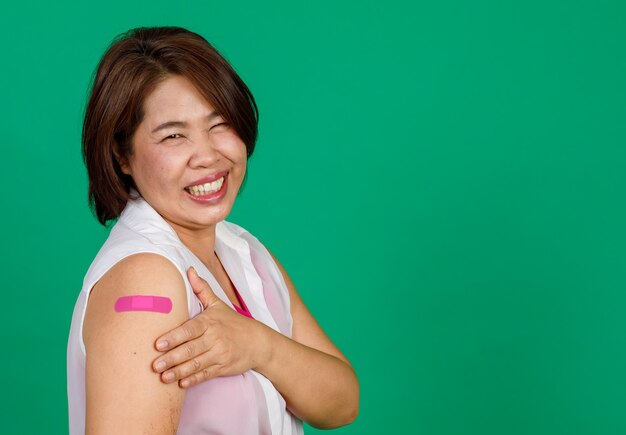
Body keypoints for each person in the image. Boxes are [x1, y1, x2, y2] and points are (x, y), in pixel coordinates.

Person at [66, 26, 359, 434]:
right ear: (122, 154)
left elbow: (342, 403)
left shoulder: (245, 252)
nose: (207, 155)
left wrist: (259, 346)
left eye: (219, 124)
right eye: (173, 135)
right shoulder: (146, 279)